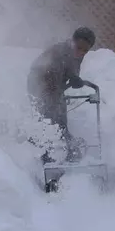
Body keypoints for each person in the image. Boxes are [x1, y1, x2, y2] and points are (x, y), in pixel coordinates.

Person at [26, 27, 96, 164]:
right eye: (79, 47)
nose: (81, 52)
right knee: (49, 118)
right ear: (73, 41)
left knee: (60, 118)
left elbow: (71, 70)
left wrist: (75, 78)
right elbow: (51, 80)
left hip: (55, 86)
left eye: (85, 50)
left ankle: (67, 149)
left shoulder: (76, 55)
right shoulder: (58, 53)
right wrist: (55, 102)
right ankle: (45, 154)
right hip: (39, 83)